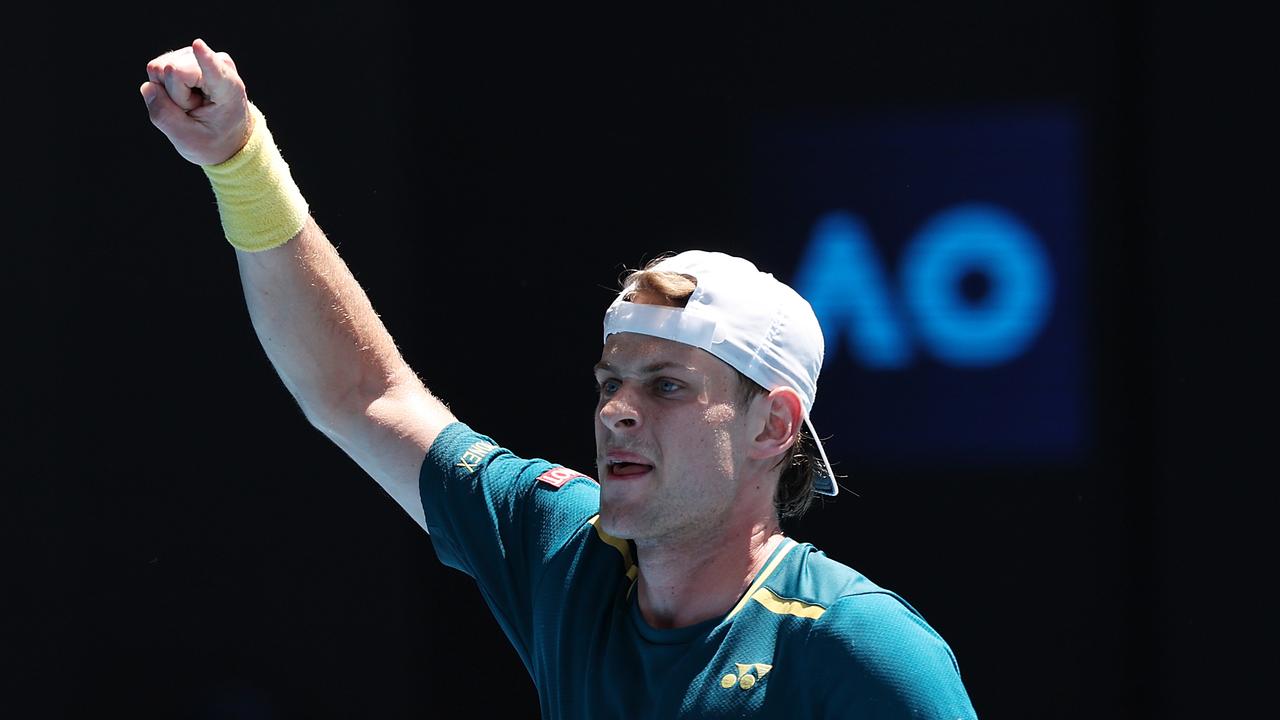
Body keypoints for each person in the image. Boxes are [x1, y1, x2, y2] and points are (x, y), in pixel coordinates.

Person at [141, 38, 978, 719]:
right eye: (611, 380)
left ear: (773, 426)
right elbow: (360, 394)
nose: (616, 410)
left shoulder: (860, 649)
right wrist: (240, 164)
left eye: (668, 386)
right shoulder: (565, 551)